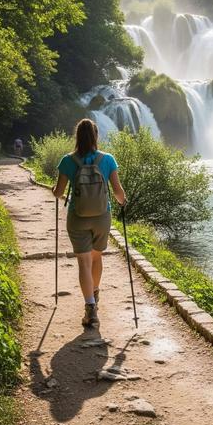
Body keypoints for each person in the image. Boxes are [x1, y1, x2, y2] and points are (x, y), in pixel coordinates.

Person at [53, 119, 126, 327]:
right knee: (96, 258)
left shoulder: (68, 161)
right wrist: (123, 202)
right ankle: (95, 293)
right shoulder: (108, 159)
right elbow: (118, 192)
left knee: (83, 262)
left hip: (78, 217)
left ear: (77, 137)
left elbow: (58, 193)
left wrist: (54, 190)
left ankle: (90, 307)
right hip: (102, 217)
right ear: (96, 136)